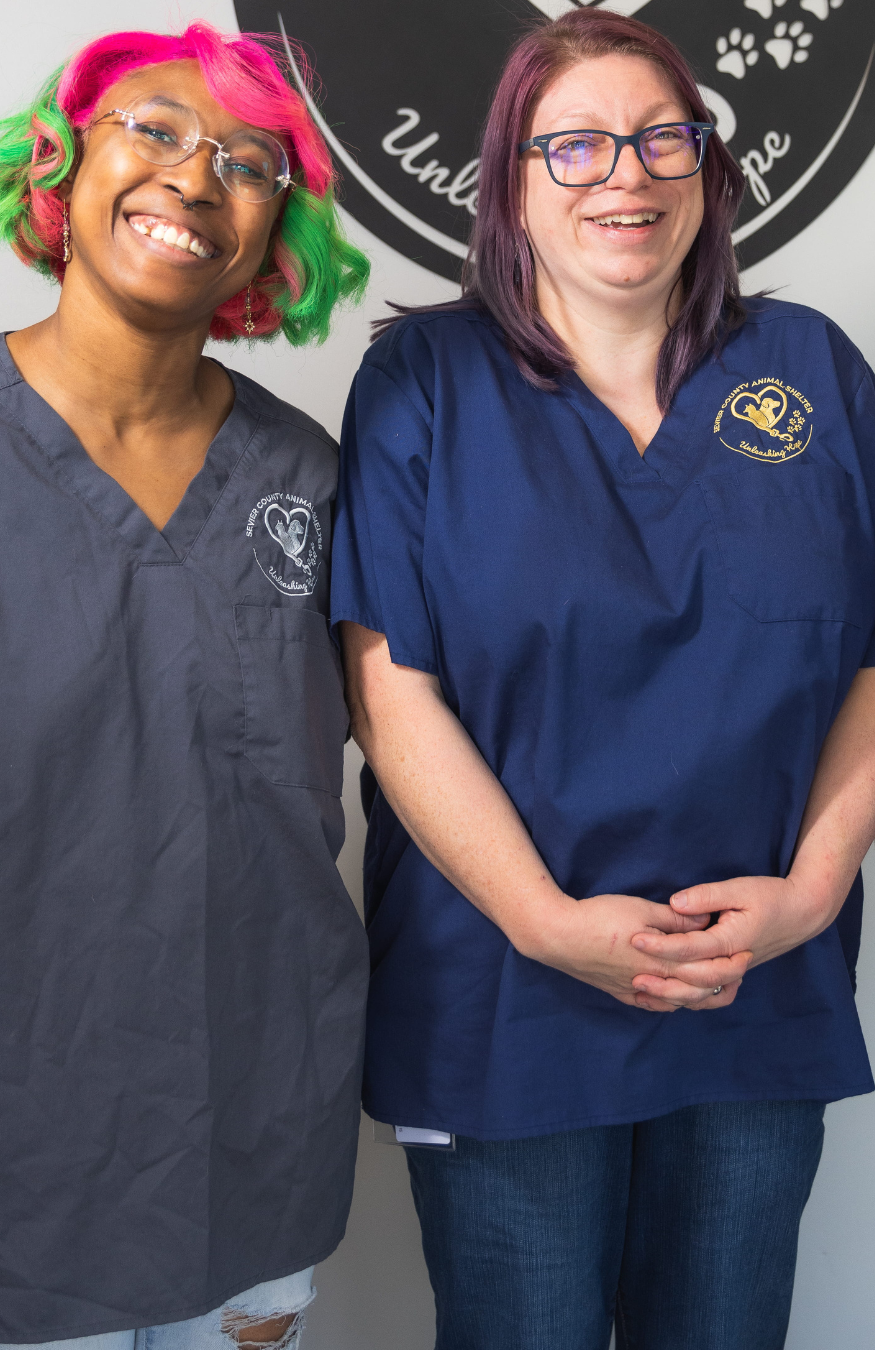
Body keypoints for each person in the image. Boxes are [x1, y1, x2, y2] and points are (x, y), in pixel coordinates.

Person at [0, 23, 369, 1350]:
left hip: (250, 1096)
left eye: (246, 160)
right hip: (9, 1128)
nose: (191, 176)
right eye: (151, 130)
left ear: (275, 232)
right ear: (59, 165)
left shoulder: (307, 477)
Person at [332, 10, 875, 1350]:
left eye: (659, 138)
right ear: (511, 184)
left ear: (710, 169)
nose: (622, 175)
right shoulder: (424, 382)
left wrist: (811, 891)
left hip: (752, 984)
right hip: (509, 993)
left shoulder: (812, 370)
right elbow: (392, 696)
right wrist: (541, 918)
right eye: (570, 145)